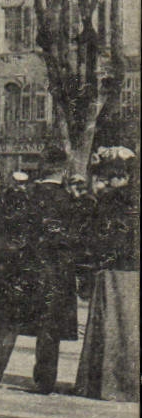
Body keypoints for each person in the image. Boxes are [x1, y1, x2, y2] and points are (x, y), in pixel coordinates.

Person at [0, 147, 80, 393]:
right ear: (64, 170)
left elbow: (7, 233)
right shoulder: (70, 200)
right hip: (57, 273)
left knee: (7, 323)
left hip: (23, 269)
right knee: (49, 330)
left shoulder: (25, 195)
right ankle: (45, 382)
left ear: (41, 167)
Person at [75, 151, 138, 401]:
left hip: (113, 270)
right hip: (134, 269)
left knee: (111, 323)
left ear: (115, 177)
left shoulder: (109, 201)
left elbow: (95, 235)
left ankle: (104, 383)